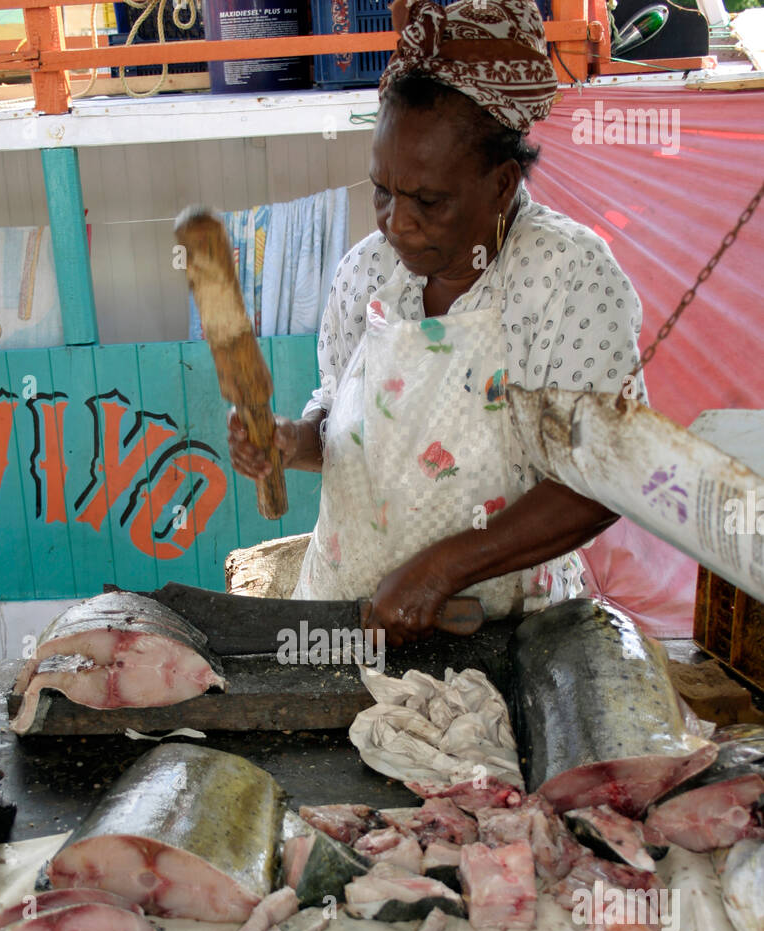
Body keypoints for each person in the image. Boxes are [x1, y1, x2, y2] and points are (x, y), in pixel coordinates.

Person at [228, 0, 647, 645]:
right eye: (382, 191)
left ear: (502, 184)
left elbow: (600, 482)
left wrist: (439, 571)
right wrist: (289, 442)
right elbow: (338, 421)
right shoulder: (365, 273)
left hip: (509, 635)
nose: (395, 221)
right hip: (348, 618)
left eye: (427, 200)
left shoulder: (568, 277)